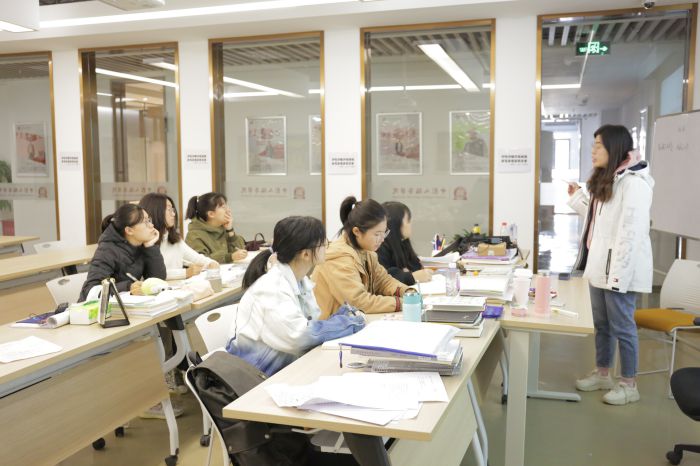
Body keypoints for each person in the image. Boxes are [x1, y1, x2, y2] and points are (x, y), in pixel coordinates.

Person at [568, 124, 654, 406]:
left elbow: (630, 235)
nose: (593, 151)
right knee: (602, 325)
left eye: (598, 146)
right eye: (593, 145)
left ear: (614, 148)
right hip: (599, 267)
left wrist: (618, 277)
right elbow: (598, 223)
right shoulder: (608, 180)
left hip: (618, 271)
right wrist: (578, 197)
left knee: (623, 327)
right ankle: (603, 373)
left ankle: (629, 384)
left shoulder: (634, 184)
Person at [226, 216, 365, 376]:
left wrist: (341, 317)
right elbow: (299, 336)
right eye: (324, 243)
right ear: (305, 254)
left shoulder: (300, 280)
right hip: (254, 376)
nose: (327, 247)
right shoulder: (273, 288)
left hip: (283, 367)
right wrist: (347, 323)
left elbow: (308, 325)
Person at [312, 196, 409, 319]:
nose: (382, 239)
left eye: (384, 232)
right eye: (377, 234)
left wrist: (408, 293)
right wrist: (401, 303)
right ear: (357, 232)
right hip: (331, 326)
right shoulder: (339, 258)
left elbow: (384, 282)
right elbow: (358, 301)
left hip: (352, 321)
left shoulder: (366, 252)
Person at [78, 203, 165, 302]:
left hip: (124, 305)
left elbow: (158, 280)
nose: (152, 225)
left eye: (149, 220)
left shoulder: (141, 246)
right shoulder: (107, 251)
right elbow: (90, 290)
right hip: (94, 309)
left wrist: (150, 247)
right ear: (129, 230)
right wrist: (128, 287)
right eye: (145, 222)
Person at [139, 192, 218, 280]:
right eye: (169, 210)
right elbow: (152, 274)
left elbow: (196, 258)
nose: (173, 214)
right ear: (156, 211)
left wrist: (211, 263)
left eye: (173, 210)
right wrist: (185, 273)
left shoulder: (174, 239)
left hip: (177, 286)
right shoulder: (143, 242)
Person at [377, 201, 433, 286]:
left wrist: (409, 273)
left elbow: (415, 266)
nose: (410, 224)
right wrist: (412, 276)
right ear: (396, 224)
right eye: (408, 220)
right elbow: (383, 278)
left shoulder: (402, 242)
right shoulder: (379, 247)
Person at [184, 192, 248, 264]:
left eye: (227, 206)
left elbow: (240, 251)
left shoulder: (222, 228)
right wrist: (229, 257)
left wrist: (230, 230)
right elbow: (201, 261)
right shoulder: (194, 235)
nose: (228, 210)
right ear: (211, 214)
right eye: (223, 207)